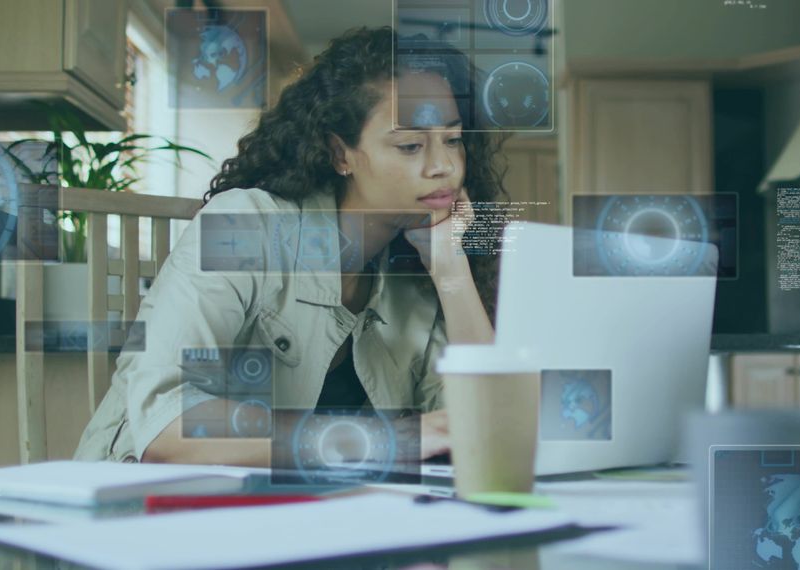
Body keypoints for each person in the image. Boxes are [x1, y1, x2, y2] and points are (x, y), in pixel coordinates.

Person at [74, 26, 506, 465]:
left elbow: (491, 430)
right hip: (142, 496)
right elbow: (167, 427)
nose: (444, 166)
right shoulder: (246, 224)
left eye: (453, 140)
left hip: (299, 502)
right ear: (341, 154)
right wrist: (373, 439)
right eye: (410, 145)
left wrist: (451, 269)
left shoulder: (414, 273)